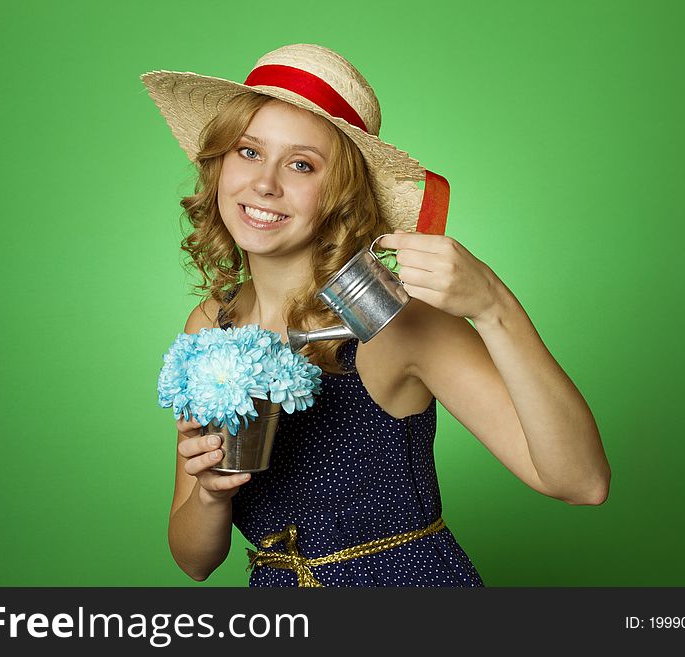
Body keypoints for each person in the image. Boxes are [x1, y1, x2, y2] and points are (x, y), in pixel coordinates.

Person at [141, 44, 610, 587]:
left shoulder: (396, 325)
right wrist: (211, 491)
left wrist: (493, 307)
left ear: (341, 194)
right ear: (220, 165)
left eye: (301, 164)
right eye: (248, 152)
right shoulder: (212, 327)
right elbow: (194, 560)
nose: (264, 183)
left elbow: (581, 482)